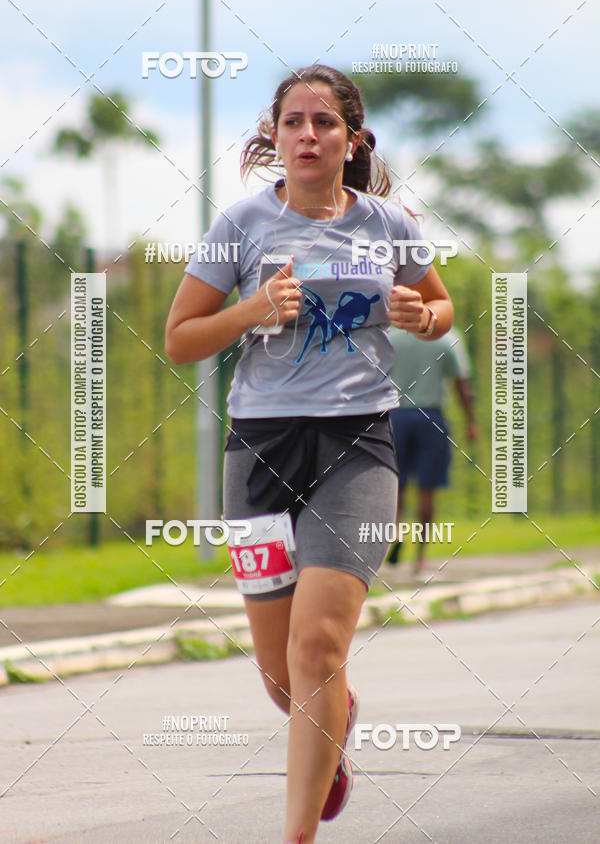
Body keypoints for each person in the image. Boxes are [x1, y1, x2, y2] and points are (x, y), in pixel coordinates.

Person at [165, 64, 454, 844]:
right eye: (293, 122)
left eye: (324, 123)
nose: (308, 135)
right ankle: (335, 721)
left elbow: (440, 305)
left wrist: (419, 315)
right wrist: (254, 308)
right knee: (280, 675)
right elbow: (180, 338)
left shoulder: (390, 224)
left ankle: (296, 835)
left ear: (351, 139)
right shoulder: (240, 225)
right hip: (258, 450)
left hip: (358, 444)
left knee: (318, 647)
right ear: (275, 135)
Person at [386, 329, 477, 573]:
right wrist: (471, 420)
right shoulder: (447, 338)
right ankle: (420, 557)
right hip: (431, 417)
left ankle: (396, 535)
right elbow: (461, 383)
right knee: (427, 490)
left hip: (396, 416)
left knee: (397, 486)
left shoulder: (390, 338)